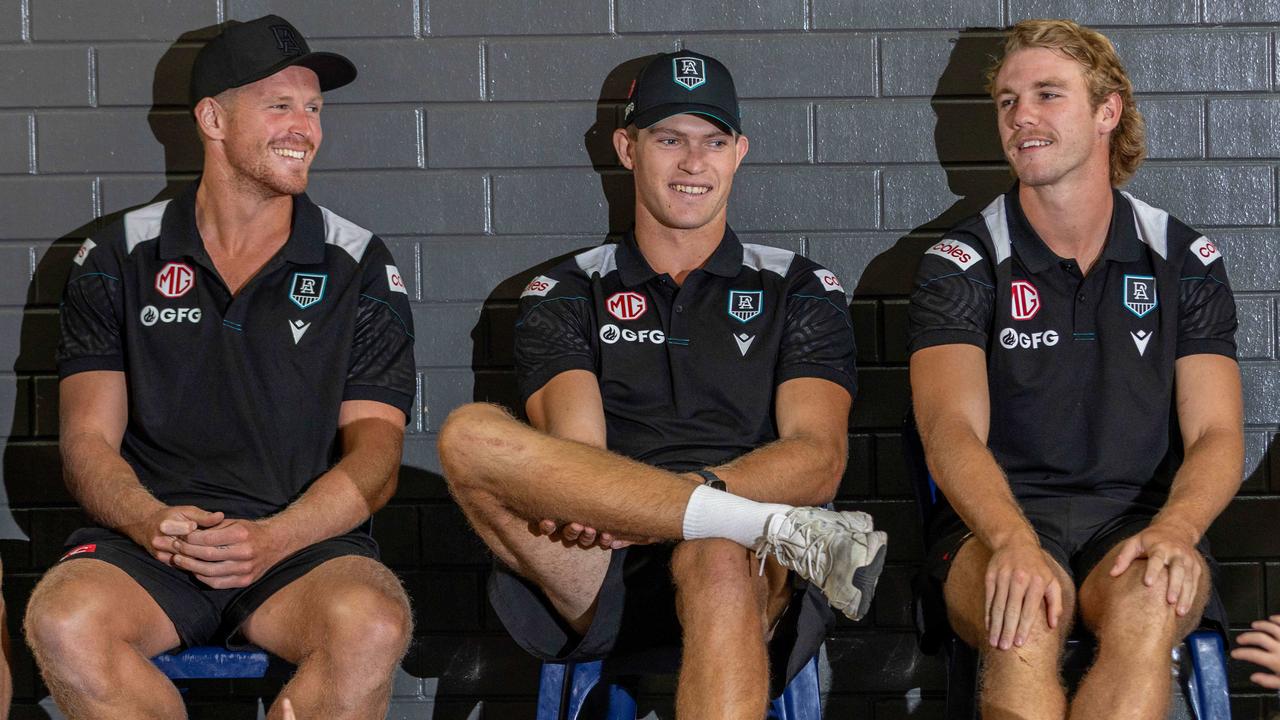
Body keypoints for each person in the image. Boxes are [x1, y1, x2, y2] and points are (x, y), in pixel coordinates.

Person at [438, 50, 886, 718]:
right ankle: (735, 522)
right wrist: (619, 510)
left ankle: (727, 522)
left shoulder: (797, 286)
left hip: (746, 564)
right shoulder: (564, 290)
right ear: (628, 147)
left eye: (713, 142)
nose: (693, 163)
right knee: (467, 435)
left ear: (739, 153)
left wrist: (686, 503)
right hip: (601, 559)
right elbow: (577, 456)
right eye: (669, 139)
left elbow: (818, 459)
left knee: (713, 557)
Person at [23, 15, 416, 720]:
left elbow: (378, 454)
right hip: (152, 544)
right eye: (280, 106)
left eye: (314, 108)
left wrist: (276, 537)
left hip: (299, 545)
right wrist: (149, 521)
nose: (306, 127)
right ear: (212, 118)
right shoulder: (116, 256)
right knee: (62, 619)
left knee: (373, 622)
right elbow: (86, 442)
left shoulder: (357, 261)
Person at [907, 19, 1242, 719]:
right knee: (1021, 616)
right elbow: (950, 431)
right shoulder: (960, 263)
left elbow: (1217, 433)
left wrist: (1178, 529)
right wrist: (1010, 540)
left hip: (1139, 521)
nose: (1021, 115)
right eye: (1006, 100)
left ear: (1106, 111)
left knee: (1150, 605)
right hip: (992, 524)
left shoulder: (1185, 259)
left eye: (1047, 95)